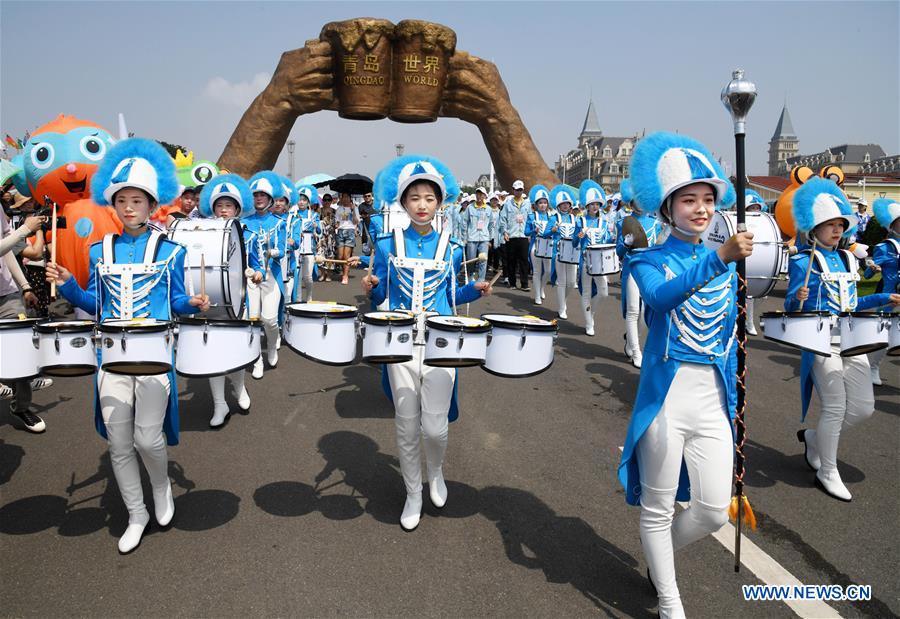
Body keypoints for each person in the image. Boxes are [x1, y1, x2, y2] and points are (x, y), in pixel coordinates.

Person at [46, 138, 210, 553]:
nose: (129, 207)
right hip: (110, 358)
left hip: (154, 356)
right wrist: (68, 284)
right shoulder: (99, 250)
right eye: (122, 200)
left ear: (152, 204)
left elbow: (175, 301)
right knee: (118, 443)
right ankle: (136, 514)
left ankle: (161, 487)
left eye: (137, 200)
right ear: (113, 204)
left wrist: (191, 303)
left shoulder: (172, 251)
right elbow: (94, 305)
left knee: (148, 439)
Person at [617, 132, 749, 619]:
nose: (701, 208)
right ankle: (670, 601)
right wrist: (719, 258)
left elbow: (730, 339)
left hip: (712, 401)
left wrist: (736, 403)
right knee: (658, 507)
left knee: (713, 511)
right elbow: (661, 298)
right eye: (689, 199)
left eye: (708, 199)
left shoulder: (728, 264)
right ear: (667, 208)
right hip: (667, 401)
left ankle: (660, 555)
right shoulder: (646, 259)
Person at [361, 156, 492, 532]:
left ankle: (435, 471)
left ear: (440, 203)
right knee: (406, 424)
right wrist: (371, 289)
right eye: (415, 197)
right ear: (403, 202)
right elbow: (382, 292)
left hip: (441, 343)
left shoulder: (453, 248)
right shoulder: (387, 244)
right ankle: (412, 494)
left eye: (429, 198)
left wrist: (474, 290)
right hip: (400, 342)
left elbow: (451, 295)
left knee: (434, 426)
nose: (422, 204)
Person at [788, 180, 899, 502]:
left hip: (852, 338)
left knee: (863, 408)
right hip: (821, 341)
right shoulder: (803, 262)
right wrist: (797, 298)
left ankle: (814, 438)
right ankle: (827, 470)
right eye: (830, 225)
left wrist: (883, 297)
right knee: (835, 407)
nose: (837, 230)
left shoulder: (849, 260)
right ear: (815, 229)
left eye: (840, 225)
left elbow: (851, 304)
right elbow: (794, 310)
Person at [197, 174, 258, 427]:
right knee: (213, 352)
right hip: (212, 299)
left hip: (239, 298)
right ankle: (219, 404)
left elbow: (256, 262)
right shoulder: (204, 231)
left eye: (229, 205)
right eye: (220, 205)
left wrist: (256, 272)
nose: (223, 210)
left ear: (237, 209)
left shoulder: (247, 233)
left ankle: (240, 387)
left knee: (236, 348)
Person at [1, 207, 47, 431]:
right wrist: (25, 229)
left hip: (8, 294)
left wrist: (25, 285)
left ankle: (21, 407)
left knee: (21, 350)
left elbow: (6, 249)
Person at [616, 180, 666, 369]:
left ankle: (631, 341)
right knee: (633, 310)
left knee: (646, 312)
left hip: (650, 270)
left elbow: (660, 248)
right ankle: (637, 352)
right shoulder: (624, 222)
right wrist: (625, 244)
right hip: (632, 268)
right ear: (631, 202)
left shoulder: (656, 224)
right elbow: (618, 252)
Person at [244, 171, 287, 379]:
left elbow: (283, 250)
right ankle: (257, 360)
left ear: (270, 199)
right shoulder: (243, 222)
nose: (259, 198)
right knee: (252, 320)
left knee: (269, 319)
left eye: (262, 195)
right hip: (250, 276)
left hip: (271, 275)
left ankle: (271, 344)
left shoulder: (279, 222)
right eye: (255, 195)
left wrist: (272, 252)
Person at [867, 198, 899, 385]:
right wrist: (873, 268)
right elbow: (868, 274)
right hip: (891, 296)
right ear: (892, 226)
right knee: (884, 335)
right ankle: (873, 366)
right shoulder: (884, 248)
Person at [577, 180, 612, 336]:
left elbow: (608, 240)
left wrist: (611, 237)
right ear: (587, 205)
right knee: (586, 292)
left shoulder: (604, 222)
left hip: (600, 262)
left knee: (604, 293)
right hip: (586, 261)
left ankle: (591, 314)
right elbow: (574, 243)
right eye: (592, 204)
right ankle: (588, 323)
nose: (595, 207)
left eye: (597, 204)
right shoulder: (580, 221)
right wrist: (578, 236)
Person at [549, 185, 579, 319]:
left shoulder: (575, 219)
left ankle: (563, 301)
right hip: (559, 252)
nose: (566, 206)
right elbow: (545, 234)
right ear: (558, 206)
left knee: (571, 282)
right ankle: (562, 308)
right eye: (563, 204)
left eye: (567, 203)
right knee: (562, 281)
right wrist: (552, 230)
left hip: (572, 253)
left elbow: (578, 234)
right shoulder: (553, 218)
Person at [290, 184, 322, 303]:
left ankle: (309, 296)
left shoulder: (314, 215)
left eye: (304, 200)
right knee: (297, 276)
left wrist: (316, 226)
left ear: (308, 201)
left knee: (307, 277)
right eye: (299, 199)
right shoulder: (292, 215)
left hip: (309, 248)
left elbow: (319, 232)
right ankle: (298, 300)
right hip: (296, 249)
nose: (301, 202)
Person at [743, 189, 769, 336]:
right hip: (745, 262)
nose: (755, 210)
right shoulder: (741, 223)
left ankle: (744, 316)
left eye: (757, 208)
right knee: (749, 295)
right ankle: (749, 322)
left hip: (759, 262)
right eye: (752, 208)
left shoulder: (764, 223)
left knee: (763, 294)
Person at [499, 179, 532, 290]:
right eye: (517, 190)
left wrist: (529, 233)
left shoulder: (527, 204)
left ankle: (524, 284)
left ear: (523, 190)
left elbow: (530, 219)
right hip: (511, 235)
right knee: (511, 261)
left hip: (523, 236)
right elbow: (503, 219)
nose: (519, 192)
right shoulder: (508, 204)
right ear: (513, 190)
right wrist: (504, 232)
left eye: (520, 190)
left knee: (524, 261)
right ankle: (512, 283)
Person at [523, 185, 554, 304]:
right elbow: (526, 232)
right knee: (536, 271)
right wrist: (533, 231)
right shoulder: (531, 216)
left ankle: (541, 287)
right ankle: (537, 295)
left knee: (548, 271)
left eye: (545, 203)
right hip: (535, 245)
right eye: (540, 203)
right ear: (536, 204)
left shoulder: (552, 217)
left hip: (548, 246)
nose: (543, 205)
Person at [460, 187, 492, 282]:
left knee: (483, 260)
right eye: (478, 194)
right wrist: (464, 238)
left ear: (485, 196)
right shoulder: (470, 207)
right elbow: (464, 223)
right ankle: (470, 278)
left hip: (484, 238)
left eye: (481, 194)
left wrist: (490, 239)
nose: (479, 196)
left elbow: (491, 225)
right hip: (472, 238)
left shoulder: (488, 209)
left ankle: (481, 279)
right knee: (471, 259)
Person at [334, 192, 359, 285]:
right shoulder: (339, 209)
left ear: (350, 198)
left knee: (346, 256)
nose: (345, 199)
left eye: (347, 197)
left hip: (350, 231)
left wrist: (353, 211)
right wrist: (335, 225)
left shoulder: (354, 208)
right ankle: (344, 269)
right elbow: (337, 222)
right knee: (340, 256)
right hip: (340, 231)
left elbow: (356, 221)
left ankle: (345, 275)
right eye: (343, 197)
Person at [317, 197, 337, 282]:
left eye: (329, 200)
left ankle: (329, 274)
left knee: (330, 255)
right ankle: (322, 274)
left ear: (331, 201)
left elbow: (337, 223)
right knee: (320, 254)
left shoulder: (334, 211)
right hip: (321, 236)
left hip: (331, 237)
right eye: (325, 200)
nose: (327, 201)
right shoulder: (319, 211)